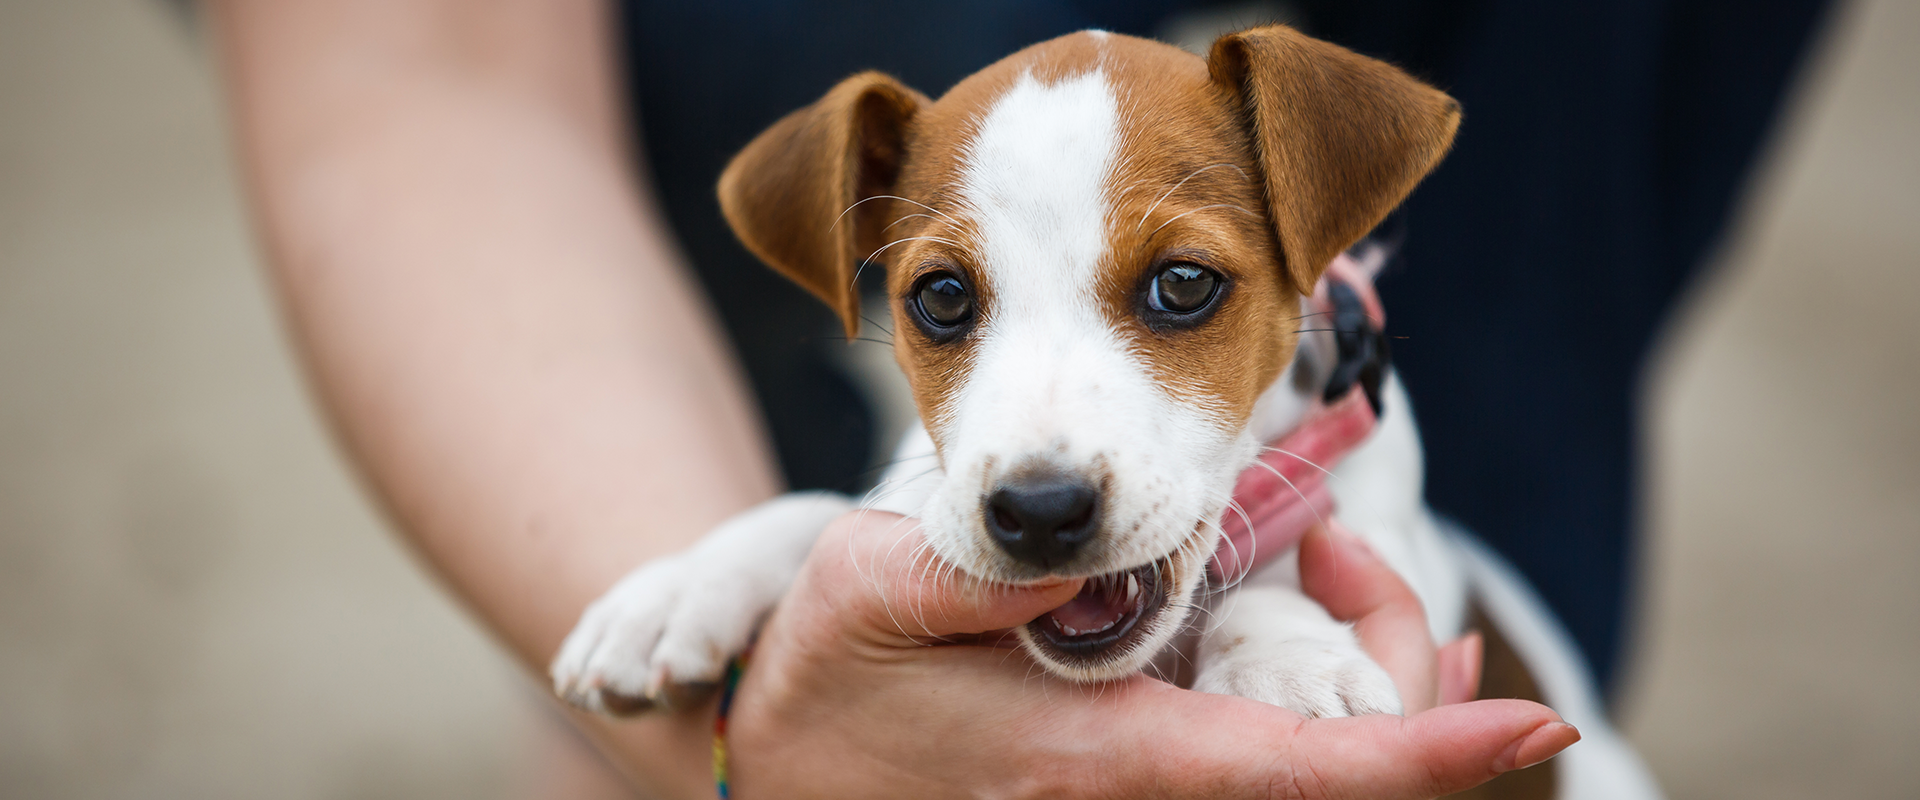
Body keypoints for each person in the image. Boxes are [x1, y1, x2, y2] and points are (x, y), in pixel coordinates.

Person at [209, 1, 1583, 796]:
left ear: (1317, 250)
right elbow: (866, 553)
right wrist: (757, 562)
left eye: (1176, 291)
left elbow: (1365, 639)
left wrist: (1262, 626)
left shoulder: (1360, 456)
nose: (1037, 460)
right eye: (948, 303)